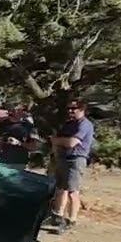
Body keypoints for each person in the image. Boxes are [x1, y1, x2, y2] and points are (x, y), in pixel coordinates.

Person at [47, 99, 95, 234]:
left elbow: (72, 142)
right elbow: (58, 140)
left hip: (76, 160)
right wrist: (58, 142)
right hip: (63, 158)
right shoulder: (69, 124)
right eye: (69, 109)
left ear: (82, 110)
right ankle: (58, 216)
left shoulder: (85, 125)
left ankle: (71, 219)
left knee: (73, 191)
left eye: (74, 109)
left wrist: (57, 141)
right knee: (61, 188)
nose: (70, 111)